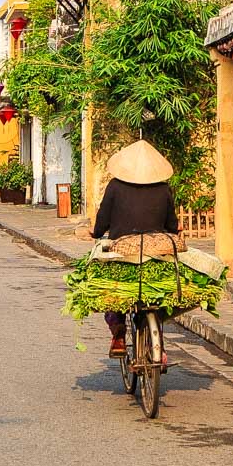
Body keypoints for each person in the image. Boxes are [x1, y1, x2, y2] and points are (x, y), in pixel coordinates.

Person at [90, 139, 178, 358]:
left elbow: (103, 220)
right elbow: (172, 225)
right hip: (154, 252)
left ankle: (118, 332)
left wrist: (97, 232)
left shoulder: (115, 186)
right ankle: (159, 347)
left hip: (123, 251)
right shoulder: (164, 189)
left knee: (113, 289)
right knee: (157, 295)